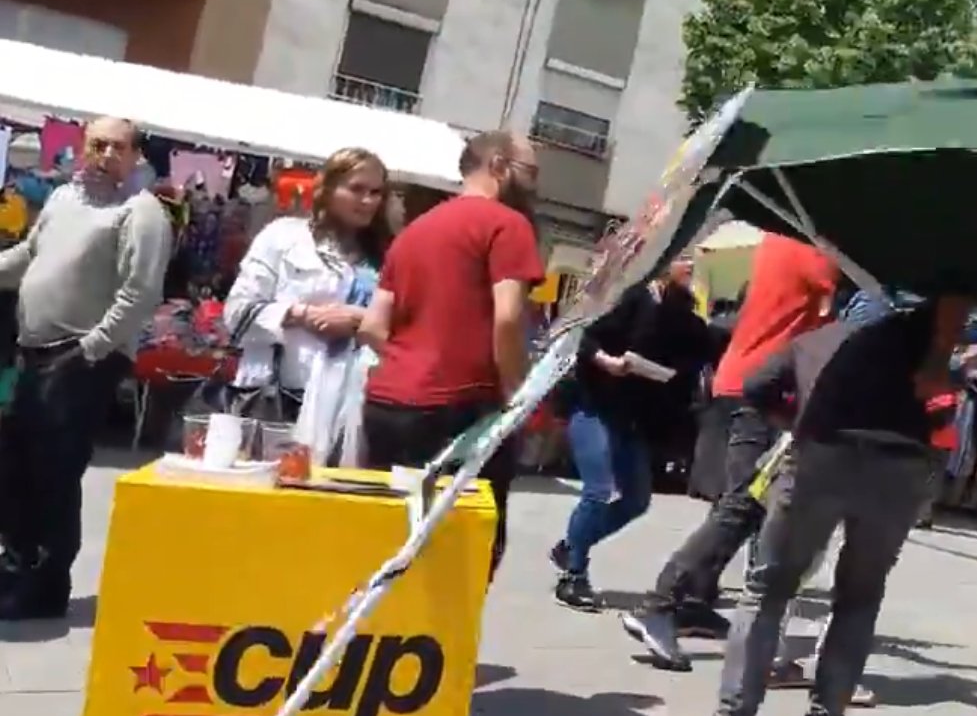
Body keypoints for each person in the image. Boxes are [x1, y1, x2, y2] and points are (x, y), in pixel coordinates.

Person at [698, 295, 971, 716]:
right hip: (899, 468)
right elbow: (941, 415)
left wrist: (795, 420)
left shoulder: (814, 340)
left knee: (767, 590)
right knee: (858, 601)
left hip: (821, 456)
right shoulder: (922, 341)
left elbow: (757, 386)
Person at [621, 234, 837, 669]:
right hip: (765, 391)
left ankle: (699, 605)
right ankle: (660, 604)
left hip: (749, 382)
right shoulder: (816, 250)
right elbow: (836, 312)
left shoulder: (779, 239)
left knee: (749, 504)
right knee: (745, 504)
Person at [0, 117, 173, 620]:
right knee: (15, 462)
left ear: (136, 156)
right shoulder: (62, 200)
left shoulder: (142, 213)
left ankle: (46, 587)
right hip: (34, 352)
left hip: (80, 358)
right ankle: (19, 563)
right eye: (96, 144)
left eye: (116, 147)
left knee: (54, 472)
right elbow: (30, 256)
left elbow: (140, 293)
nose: (104, 155)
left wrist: (92, 349)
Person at [359, 131, 544, 581]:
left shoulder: (414, 231)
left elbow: (371, 327)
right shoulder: (507, 225)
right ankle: (443, 646)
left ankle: (379, 640)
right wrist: (518, 395)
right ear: (498, 165)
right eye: (531, 172)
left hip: (387, 404)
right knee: (468, 549)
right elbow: (507, 320)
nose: (536, 186)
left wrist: (413, 360)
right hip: (460, 410)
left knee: (390, 543)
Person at [549, 258, 711, 611]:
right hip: (593, 406)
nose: (692, 265)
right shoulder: (635, 298)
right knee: (598, 490)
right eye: (685, 259)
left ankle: (571, 544)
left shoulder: (684, 315)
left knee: (637, 499)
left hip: (631, 418)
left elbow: (700, 351)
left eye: (694, 261)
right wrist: (608, 362)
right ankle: (573, 576)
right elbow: (589, 338)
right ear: (666, 265)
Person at [224, 147, 391, 423]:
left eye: (376, 192)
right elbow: (237, 313)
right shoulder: (284, 237)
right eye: (357, 189)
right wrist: (303, 315)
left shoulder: (386, 256)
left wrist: (359, 319)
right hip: (278, 397)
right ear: (327, 188)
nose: (367, 200)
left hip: (349, 405)